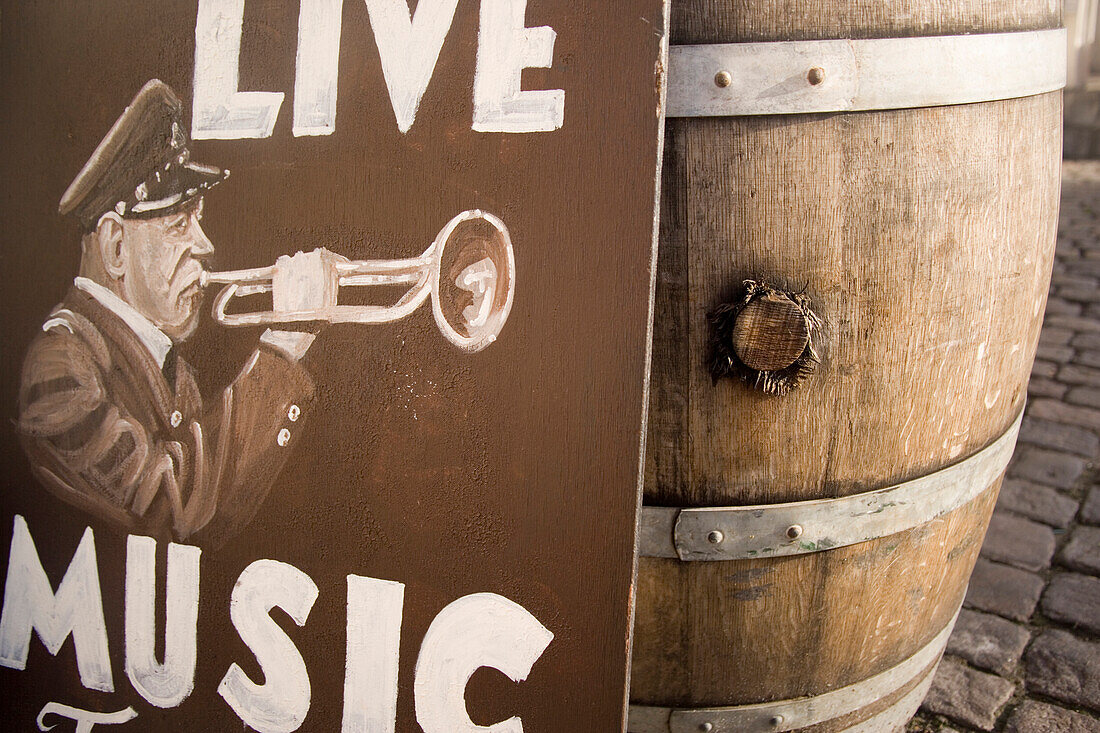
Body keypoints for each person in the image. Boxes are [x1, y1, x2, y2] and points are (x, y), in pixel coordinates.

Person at [17, 79, 338, 547]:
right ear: (115, 246)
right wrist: (281, 349)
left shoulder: (172, 372)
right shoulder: (58, 366)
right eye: (179, 224)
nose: (204, 245)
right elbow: (166, 512)